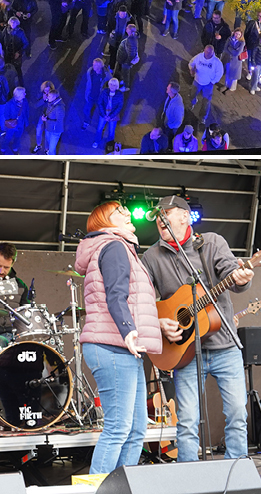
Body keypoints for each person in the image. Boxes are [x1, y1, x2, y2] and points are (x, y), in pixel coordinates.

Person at [140, 196, 253, 464]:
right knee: (187, 420)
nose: (160, 219)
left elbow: (233, 278)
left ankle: (237, 472)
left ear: (184, 217)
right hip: (185, 351)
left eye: (166, 213)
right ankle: (187, 477)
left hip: (225, 345)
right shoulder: (151, 256)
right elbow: (141, 300)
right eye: (158, 216)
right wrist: (158, 322)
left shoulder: (212, 242)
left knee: (238, 413)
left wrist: (242, 279)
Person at [74, 199, 161, 476]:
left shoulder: (121, 248)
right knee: (118, 428)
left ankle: (122, 486)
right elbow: (116, 294)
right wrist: (129, 331)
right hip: (112, 345)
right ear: (105, 223)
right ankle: (96, 489)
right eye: (120, 211)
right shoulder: (112, 246)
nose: (127, 213)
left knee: (136, 429)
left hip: (124, 347)